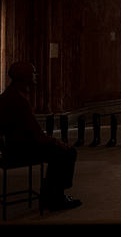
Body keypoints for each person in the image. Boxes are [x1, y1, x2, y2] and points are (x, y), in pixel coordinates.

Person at [0, 61, 82, 212]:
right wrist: (52, 141)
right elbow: (32, 130)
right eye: (34, 72)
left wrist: (50, 141)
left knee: (60, 151)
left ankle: (49, 193)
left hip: (13, 145)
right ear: (24, 76)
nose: (36, 75)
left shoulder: (11, 93)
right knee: (67, 152)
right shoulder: (17, 98)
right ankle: (55, 196)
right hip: (19, 148)